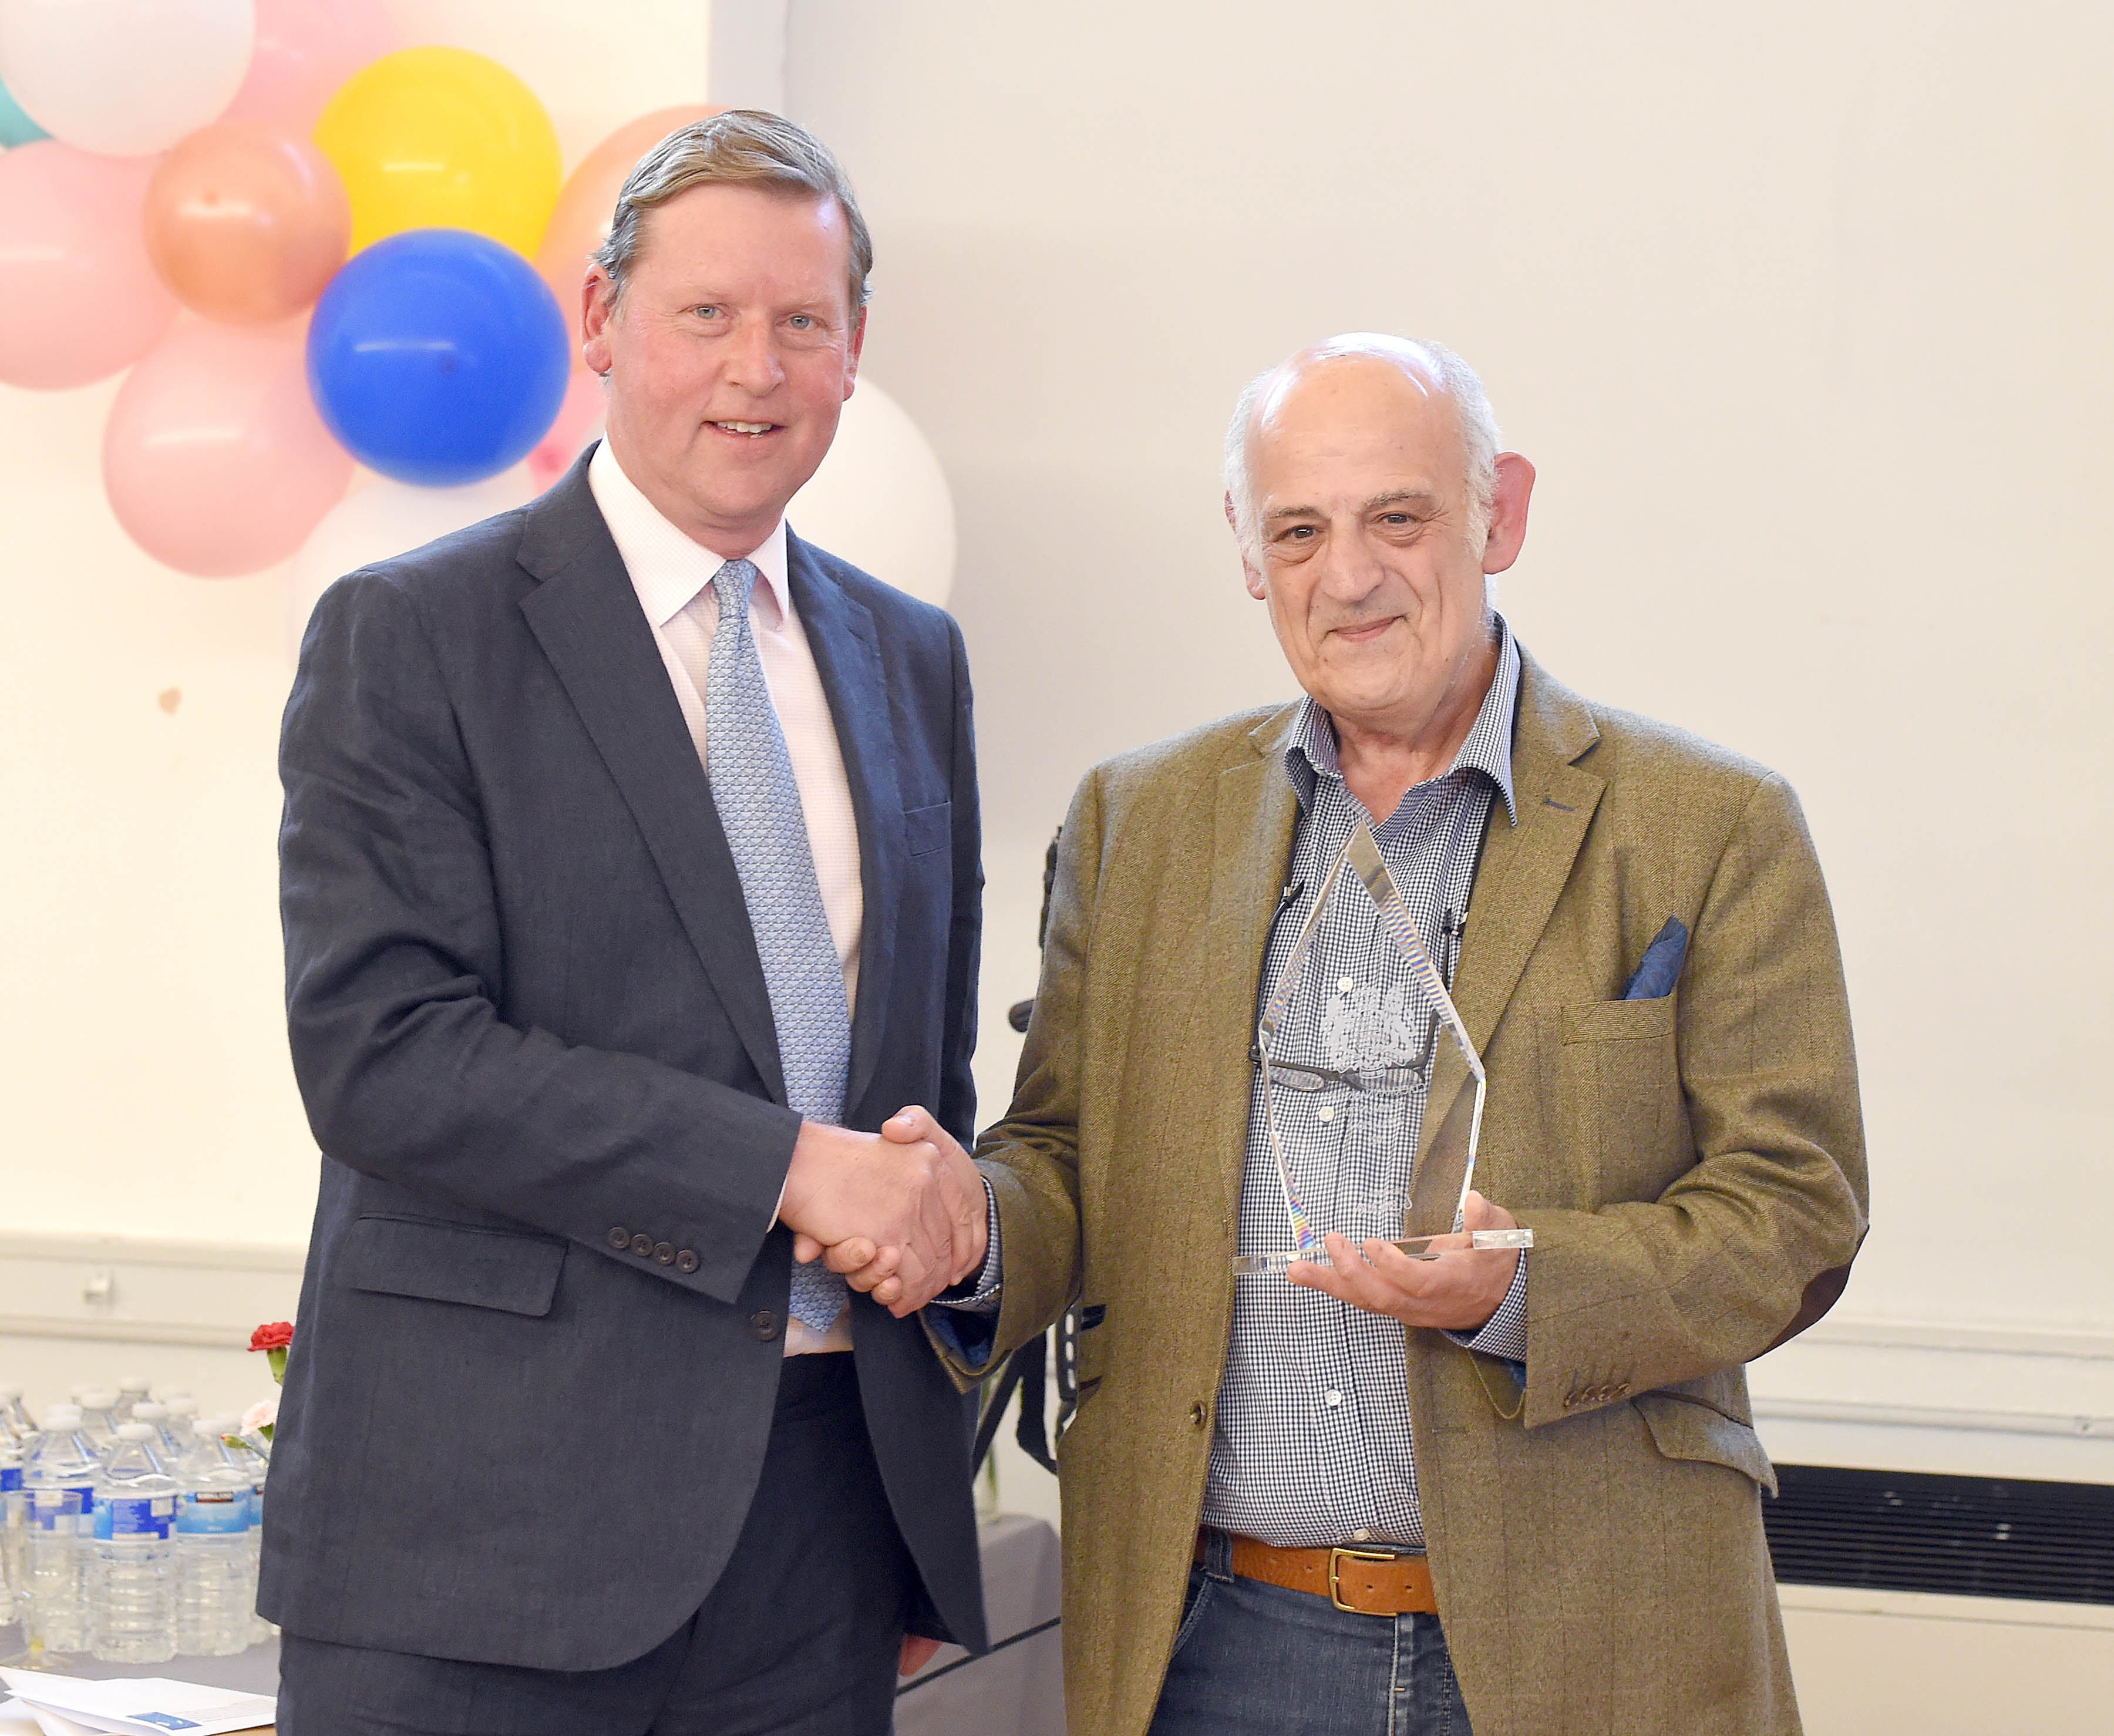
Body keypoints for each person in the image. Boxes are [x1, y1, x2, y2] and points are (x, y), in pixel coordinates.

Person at [883, 334, 1868, 1734]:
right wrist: (968, 1224)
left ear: (1499, 511)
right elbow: (1060, 1161)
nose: (1348, 575)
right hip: (1213, 1645)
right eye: (1300, 529)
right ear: (1248, 551)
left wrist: (1516, 1286)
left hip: (1589, 1636)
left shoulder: (1709, 824)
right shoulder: (1137, 822)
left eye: (1396, 516)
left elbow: (1798, 1210)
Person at [268, 112, 998, 1736]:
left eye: (803, 322)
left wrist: (944, 1224)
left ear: (855, 350)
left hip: (819, 1536)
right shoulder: (415, 634)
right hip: (485, 1550)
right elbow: (386, 1060)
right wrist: (791, 1168)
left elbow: (917, 1083)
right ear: (602, 323)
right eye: (708, 315)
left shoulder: (913, 659)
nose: (758, 367)